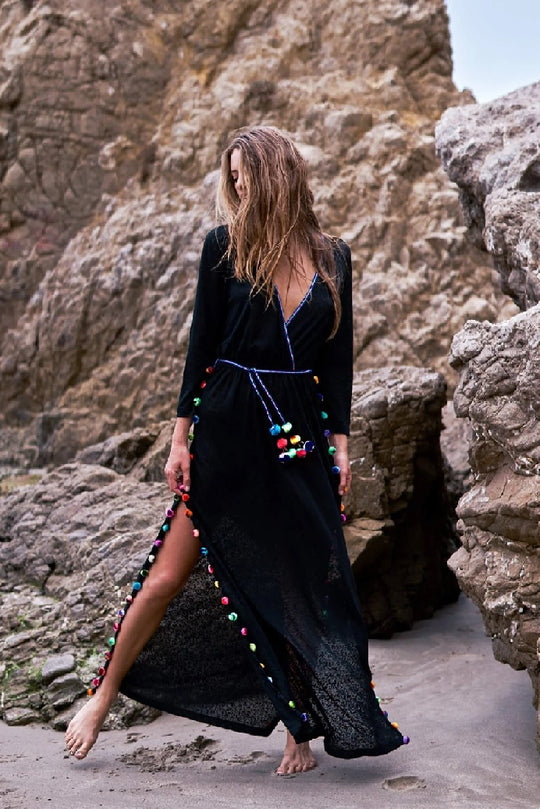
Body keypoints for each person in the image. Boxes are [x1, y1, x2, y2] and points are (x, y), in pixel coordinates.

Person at [65, 126, 407, 774]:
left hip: (295, 439)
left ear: (275, 174)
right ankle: (101, 697)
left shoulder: (335, 257)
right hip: (225, 432)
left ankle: (299, 729)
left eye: (245, 175)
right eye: (232, 177)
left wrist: (342, 447)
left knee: (300, 585)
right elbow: (201, 350)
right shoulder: (223, 248)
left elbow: (337, 364)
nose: (237, 186)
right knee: (166, 577)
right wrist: (179, 438)